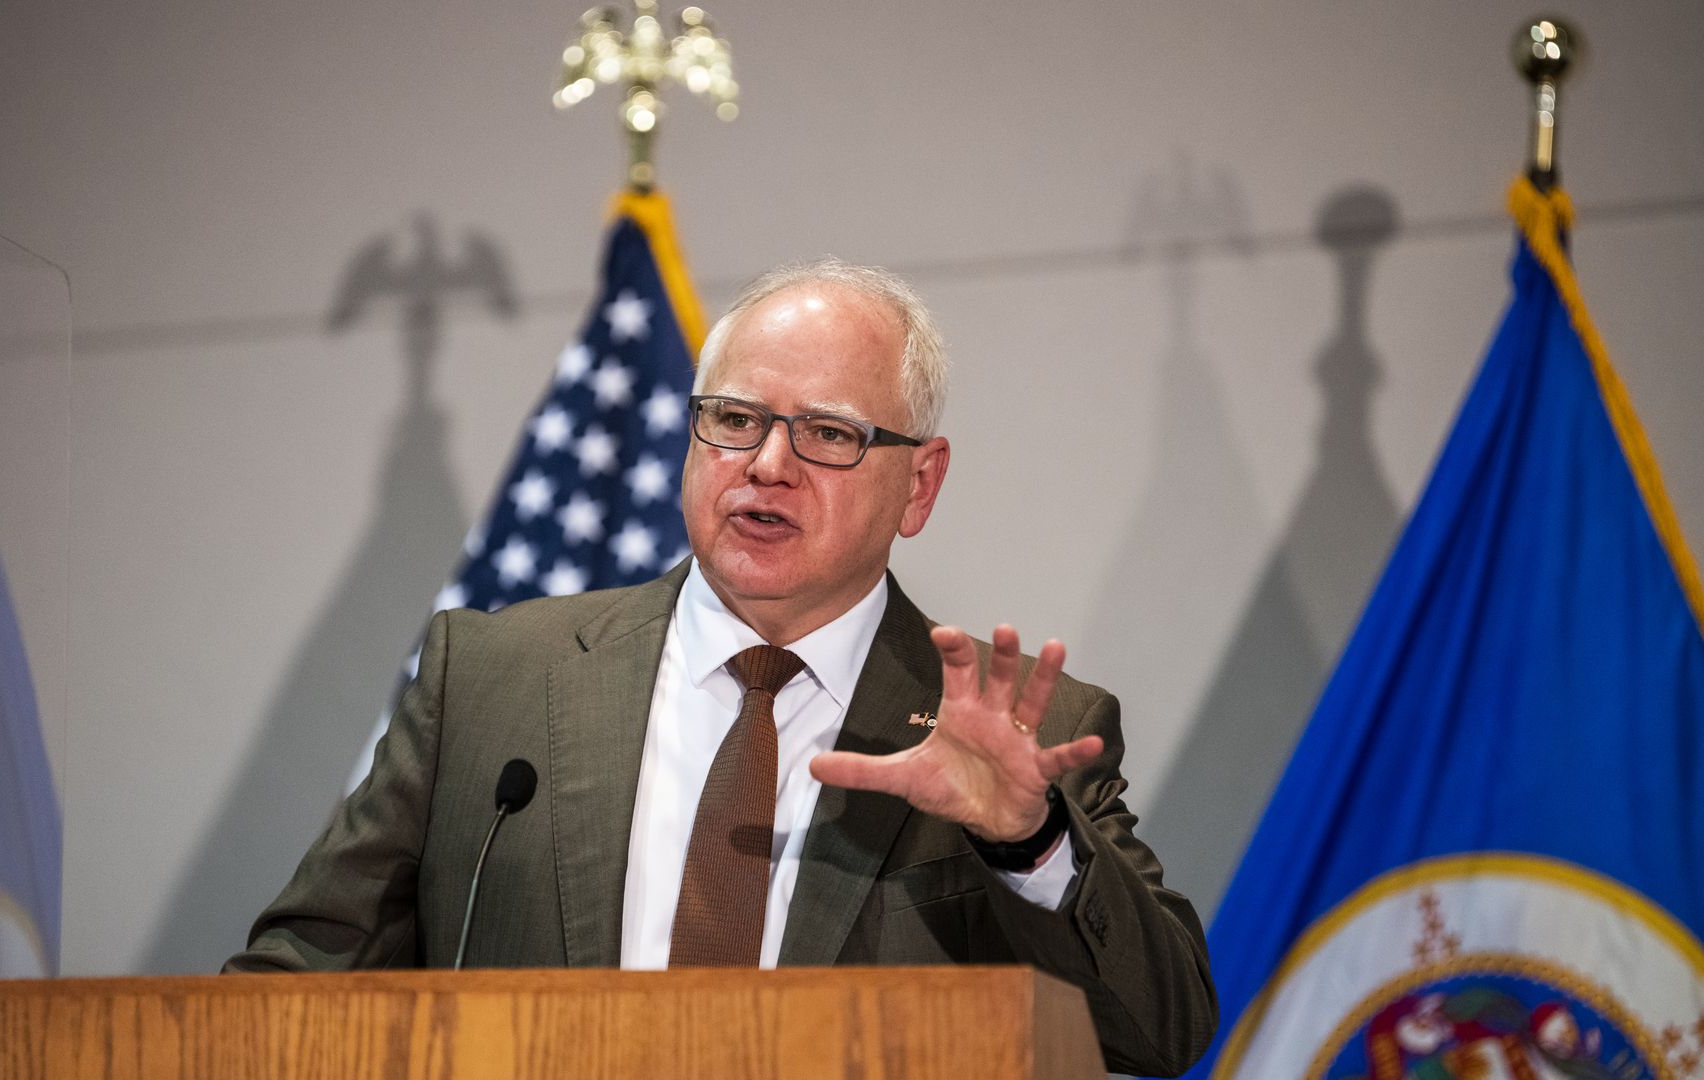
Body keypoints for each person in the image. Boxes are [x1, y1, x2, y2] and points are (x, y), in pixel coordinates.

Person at [225, 259, 1218, 1077]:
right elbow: (295, 982)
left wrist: (1028, 841)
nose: (767, 463)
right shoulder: (490, 681)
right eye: (736, 419)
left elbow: (1160, 1031)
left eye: (827, 433)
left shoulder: (1023, 734)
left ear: (920, 484)